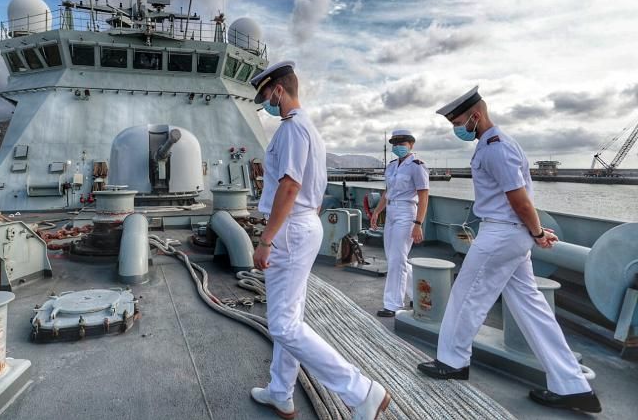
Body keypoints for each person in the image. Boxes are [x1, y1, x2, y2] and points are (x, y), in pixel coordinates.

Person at [417, 86, 601, 414]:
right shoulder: (496, 144)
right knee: (532, 308)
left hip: (501, 234)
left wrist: (539, 232)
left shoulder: (495, 148)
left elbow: (519, 199)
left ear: (476, 115)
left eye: (458, 122)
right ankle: (572, 385)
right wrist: (533, 233)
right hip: (510, 235)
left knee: (466, 296)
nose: (456, 129)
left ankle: (452, 362)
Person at [249, 61, 390, 420]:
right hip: (302, 225)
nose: (265, 104)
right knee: (290, 316)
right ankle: (281, 391)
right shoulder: (308, 129)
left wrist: (266, 239)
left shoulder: (293, 129)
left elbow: (290, 185)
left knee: (283, 324)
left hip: (290, 229)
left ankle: (362, 391)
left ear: (278, 90)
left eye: (265, 95)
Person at [369, 130, 429, 317]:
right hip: (391, 211)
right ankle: (419, 293)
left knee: (397, 258)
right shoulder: (392, 166)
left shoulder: (417, 166)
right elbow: (388, 192)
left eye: (402, 143)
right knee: (395, 257)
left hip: (406, 212)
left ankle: (393, 304)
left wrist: (418, 223)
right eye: (395, 143)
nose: (398, 146)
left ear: (411, 144)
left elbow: (423, 195)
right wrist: (377, 211)